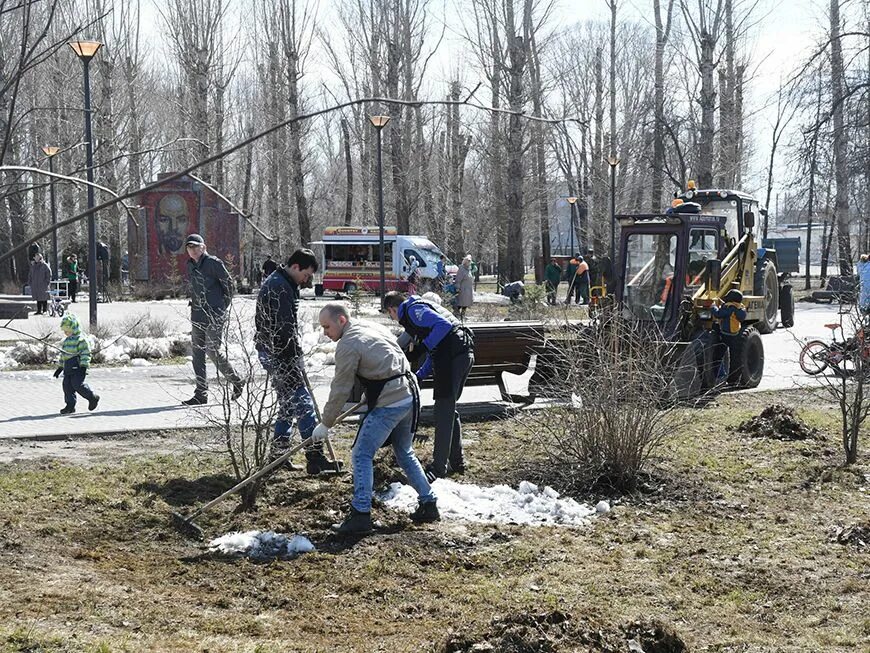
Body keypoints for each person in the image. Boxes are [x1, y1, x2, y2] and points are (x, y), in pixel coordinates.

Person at [314, 303, 438, 534]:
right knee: (404, 451)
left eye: (327, 326)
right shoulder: (369, 326)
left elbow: (341, 387)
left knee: (361, 454)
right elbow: (386, 358)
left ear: (341, 320)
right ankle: (428, 503)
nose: (325, 333)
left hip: (391, 401)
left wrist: (326, 422)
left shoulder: (348, 343)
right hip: (410, 394)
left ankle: (361, 514)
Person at [255, 248, 343, 474]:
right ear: (295, 267)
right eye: (305, 275)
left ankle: (278, 455)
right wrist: (296, 357)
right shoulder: (279, 287)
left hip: (276, 351)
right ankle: (315, 458)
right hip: (279, 353)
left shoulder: (284, 283)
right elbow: (284, 328)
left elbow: (287, 326)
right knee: (303, 403)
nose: (307, 280)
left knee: (287, 404)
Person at [384, 290, 474, 481]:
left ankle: (437, 469)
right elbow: (437, 348)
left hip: (454, 356)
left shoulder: (413, 310)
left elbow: (444, 326)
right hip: (460, 353)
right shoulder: (418, 310)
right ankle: (456, 461)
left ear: (393, 309)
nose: (393, 319)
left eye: (390, 314)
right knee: (448, 409)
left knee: (442, 410)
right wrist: (420, 375)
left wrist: (420, 349)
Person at [182, 233, 245, 406]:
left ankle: (237, 380)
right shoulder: (190, 265)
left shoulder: (213, 263)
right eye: (189, 247)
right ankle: (201, 394)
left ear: (203, 247)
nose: (193, 250)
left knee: (212, 350)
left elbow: (229, 286)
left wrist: (221, 307)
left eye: (196, 246)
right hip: (197, 314)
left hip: (214, 315)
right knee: (197, 354)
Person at [54, 314, 99, 414]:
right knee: (67, 386)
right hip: (68, 368)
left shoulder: (81, 340)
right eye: (64, 331)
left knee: (77, 385)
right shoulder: (66, 341)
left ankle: (92, 397)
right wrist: (60, 367)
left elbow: (85, 354)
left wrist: (84, 366)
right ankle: (70, 405)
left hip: (78, 367)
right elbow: (63, 355)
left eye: (67, 330)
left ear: (74, 328)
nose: (65, 333)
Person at [454, 255, 474, 320]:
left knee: (466, 304)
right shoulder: (462, 269)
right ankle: (456, 314)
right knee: (461, 303)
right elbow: (458, 279)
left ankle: (463, 315)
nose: (469, 263)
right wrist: (457, 288)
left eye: (470, 262)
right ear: (465, 262)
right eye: (468, 261)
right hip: (463, 289)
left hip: (468, 289)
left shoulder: (469, 269)